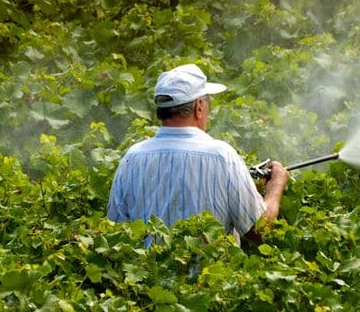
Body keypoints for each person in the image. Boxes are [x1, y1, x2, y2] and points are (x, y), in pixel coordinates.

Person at [107, 63, 288, 246]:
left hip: (147, 274)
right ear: (199, 107)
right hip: (210, 275)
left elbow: (115, 233)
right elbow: (260, 231)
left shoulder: (132, 157)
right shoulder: (222, 156)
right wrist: (276, 185)